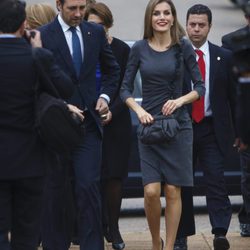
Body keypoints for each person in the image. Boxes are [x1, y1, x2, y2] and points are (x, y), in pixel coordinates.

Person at [120, 0, 205, 249]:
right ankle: (155, 242)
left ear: (172, 16)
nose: (162, 17)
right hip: (149, 128)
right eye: (157, 13)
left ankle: (167, 246)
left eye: (166, 13)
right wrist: (139, 109)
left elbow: (200, 87)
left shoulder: (183, 47)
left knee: (173, 191)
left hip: (178, 127)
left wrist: (179, 101)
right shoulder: (139, 48)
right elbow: (124, 89)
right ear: (150, 17)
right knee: (151, 192)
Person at [39, 0, 120, 250]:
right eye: (72, 8)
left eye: (82, 8)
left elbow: (112, 71)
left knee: (88, 188)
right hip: (56, 128)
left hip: (88, 126)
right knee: (56, 192)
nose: (78, 14)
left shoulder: (94, 32)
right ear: (59, 5)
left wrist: (105, 98)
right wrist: (62, 105)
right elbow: (37, 82)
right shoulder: (43, 35)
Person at [0, 0, 77, 249]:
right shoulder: (35, 56)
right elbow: (65, 88)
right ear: (24, 25)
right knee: (27, 230)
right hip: (30, 159)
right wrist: (40, 51)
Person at [174, 4, 237, 250]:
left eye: (201, 25)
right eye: (192, 24)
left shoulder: (224, 56)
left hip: (212, 128)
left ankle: (220, 232)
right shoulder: (176, 54)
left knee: (216, 181)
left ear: (210, 26)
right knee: (181, 184)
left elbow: (234, 97)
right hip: (183, 128)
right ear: (186, 24)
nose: (196, 29)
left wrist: (239, 132)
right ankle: (180, 236)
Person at [85, 2, 132, 250]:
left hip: (117, 119)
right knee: (91, 177)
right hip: (88, 120)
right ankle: (93, 227)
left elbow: (126, 86)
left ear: (108, 25)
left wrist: (111, 111)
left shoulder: (122, 49)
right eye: (91, 25)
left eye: (100, 25)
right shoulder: (82, 46)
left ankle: (113, 228)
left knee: (114, 177)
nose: (96, 30)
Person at [222, 3, 250, 238]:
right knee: (248, 175)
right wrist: (238, 131)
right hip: (246, 121)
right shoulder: (234, 43)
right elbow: (233, 92)